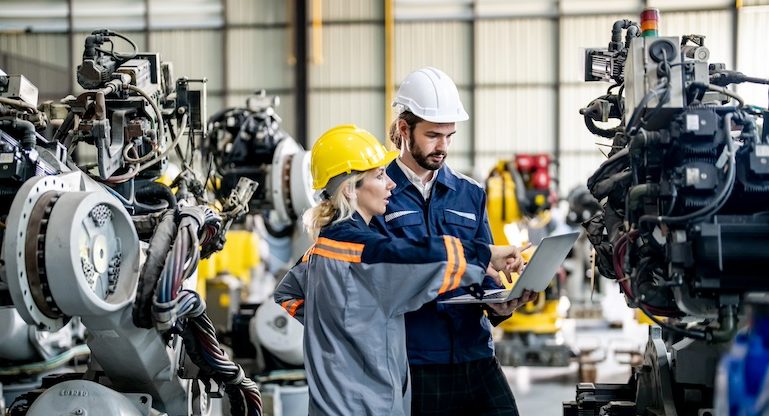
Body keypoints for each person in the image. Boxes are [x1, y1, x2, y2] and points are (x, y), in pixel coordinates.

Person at [273, 124, 526, 416]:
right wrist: (485, 254)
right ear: (350, 189)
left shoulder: (323, 248)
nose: (390, 184)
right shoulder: (362, 253)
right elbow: (415, 257)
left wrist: (345, 331)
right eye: (380, 176)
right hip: (366, 403)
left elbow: (288, 292)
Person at [371, 66, 536, 416]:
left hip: (476, 354)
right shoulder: (379, 194)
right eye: (433, 135)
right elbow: (385, 279)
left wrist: (500, 306)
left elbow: (485, 271)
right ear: (404, 129)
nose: (443, 147)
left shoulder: (470, 193)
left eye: (449, 135)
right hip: (418, 361)